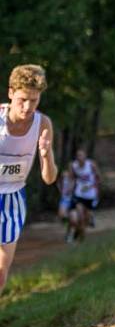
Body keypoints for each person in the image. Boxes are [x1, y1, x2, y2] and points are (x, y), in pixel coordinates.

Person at [0, 65, 57, 293]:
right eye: (23, 99)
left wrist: (45, 154)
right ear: (11, 93)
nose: (27, 107)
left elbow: (49, 178)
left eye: (34, 101)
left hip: (12, 198)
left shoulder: (42, 124)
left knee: (1, 273)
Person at [70, 148, 100, 242]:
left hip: (90, 195)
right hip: (79, 194)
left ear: (85, 156)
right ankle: (80, 238)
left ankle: (80, 235)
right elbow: (72, 178)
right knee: (80, 216)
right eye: (78, 155)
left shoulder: (91, 164)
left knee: (85, 220)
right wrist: (72, 189)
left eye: (81, 155)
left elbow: (98, 177)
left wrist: (95, 187)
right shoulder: (73, 166)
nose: (80, 157)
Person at [57, 168, 75, 242]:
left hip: (73, 200)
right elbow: (58, 181)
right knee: (61, 215)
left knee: (72, 218)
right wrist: (60, 190)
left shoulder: (76, 179)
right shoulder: (65, 175)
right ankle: (68, 229)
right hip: (64, 199)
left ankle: (70, 234)